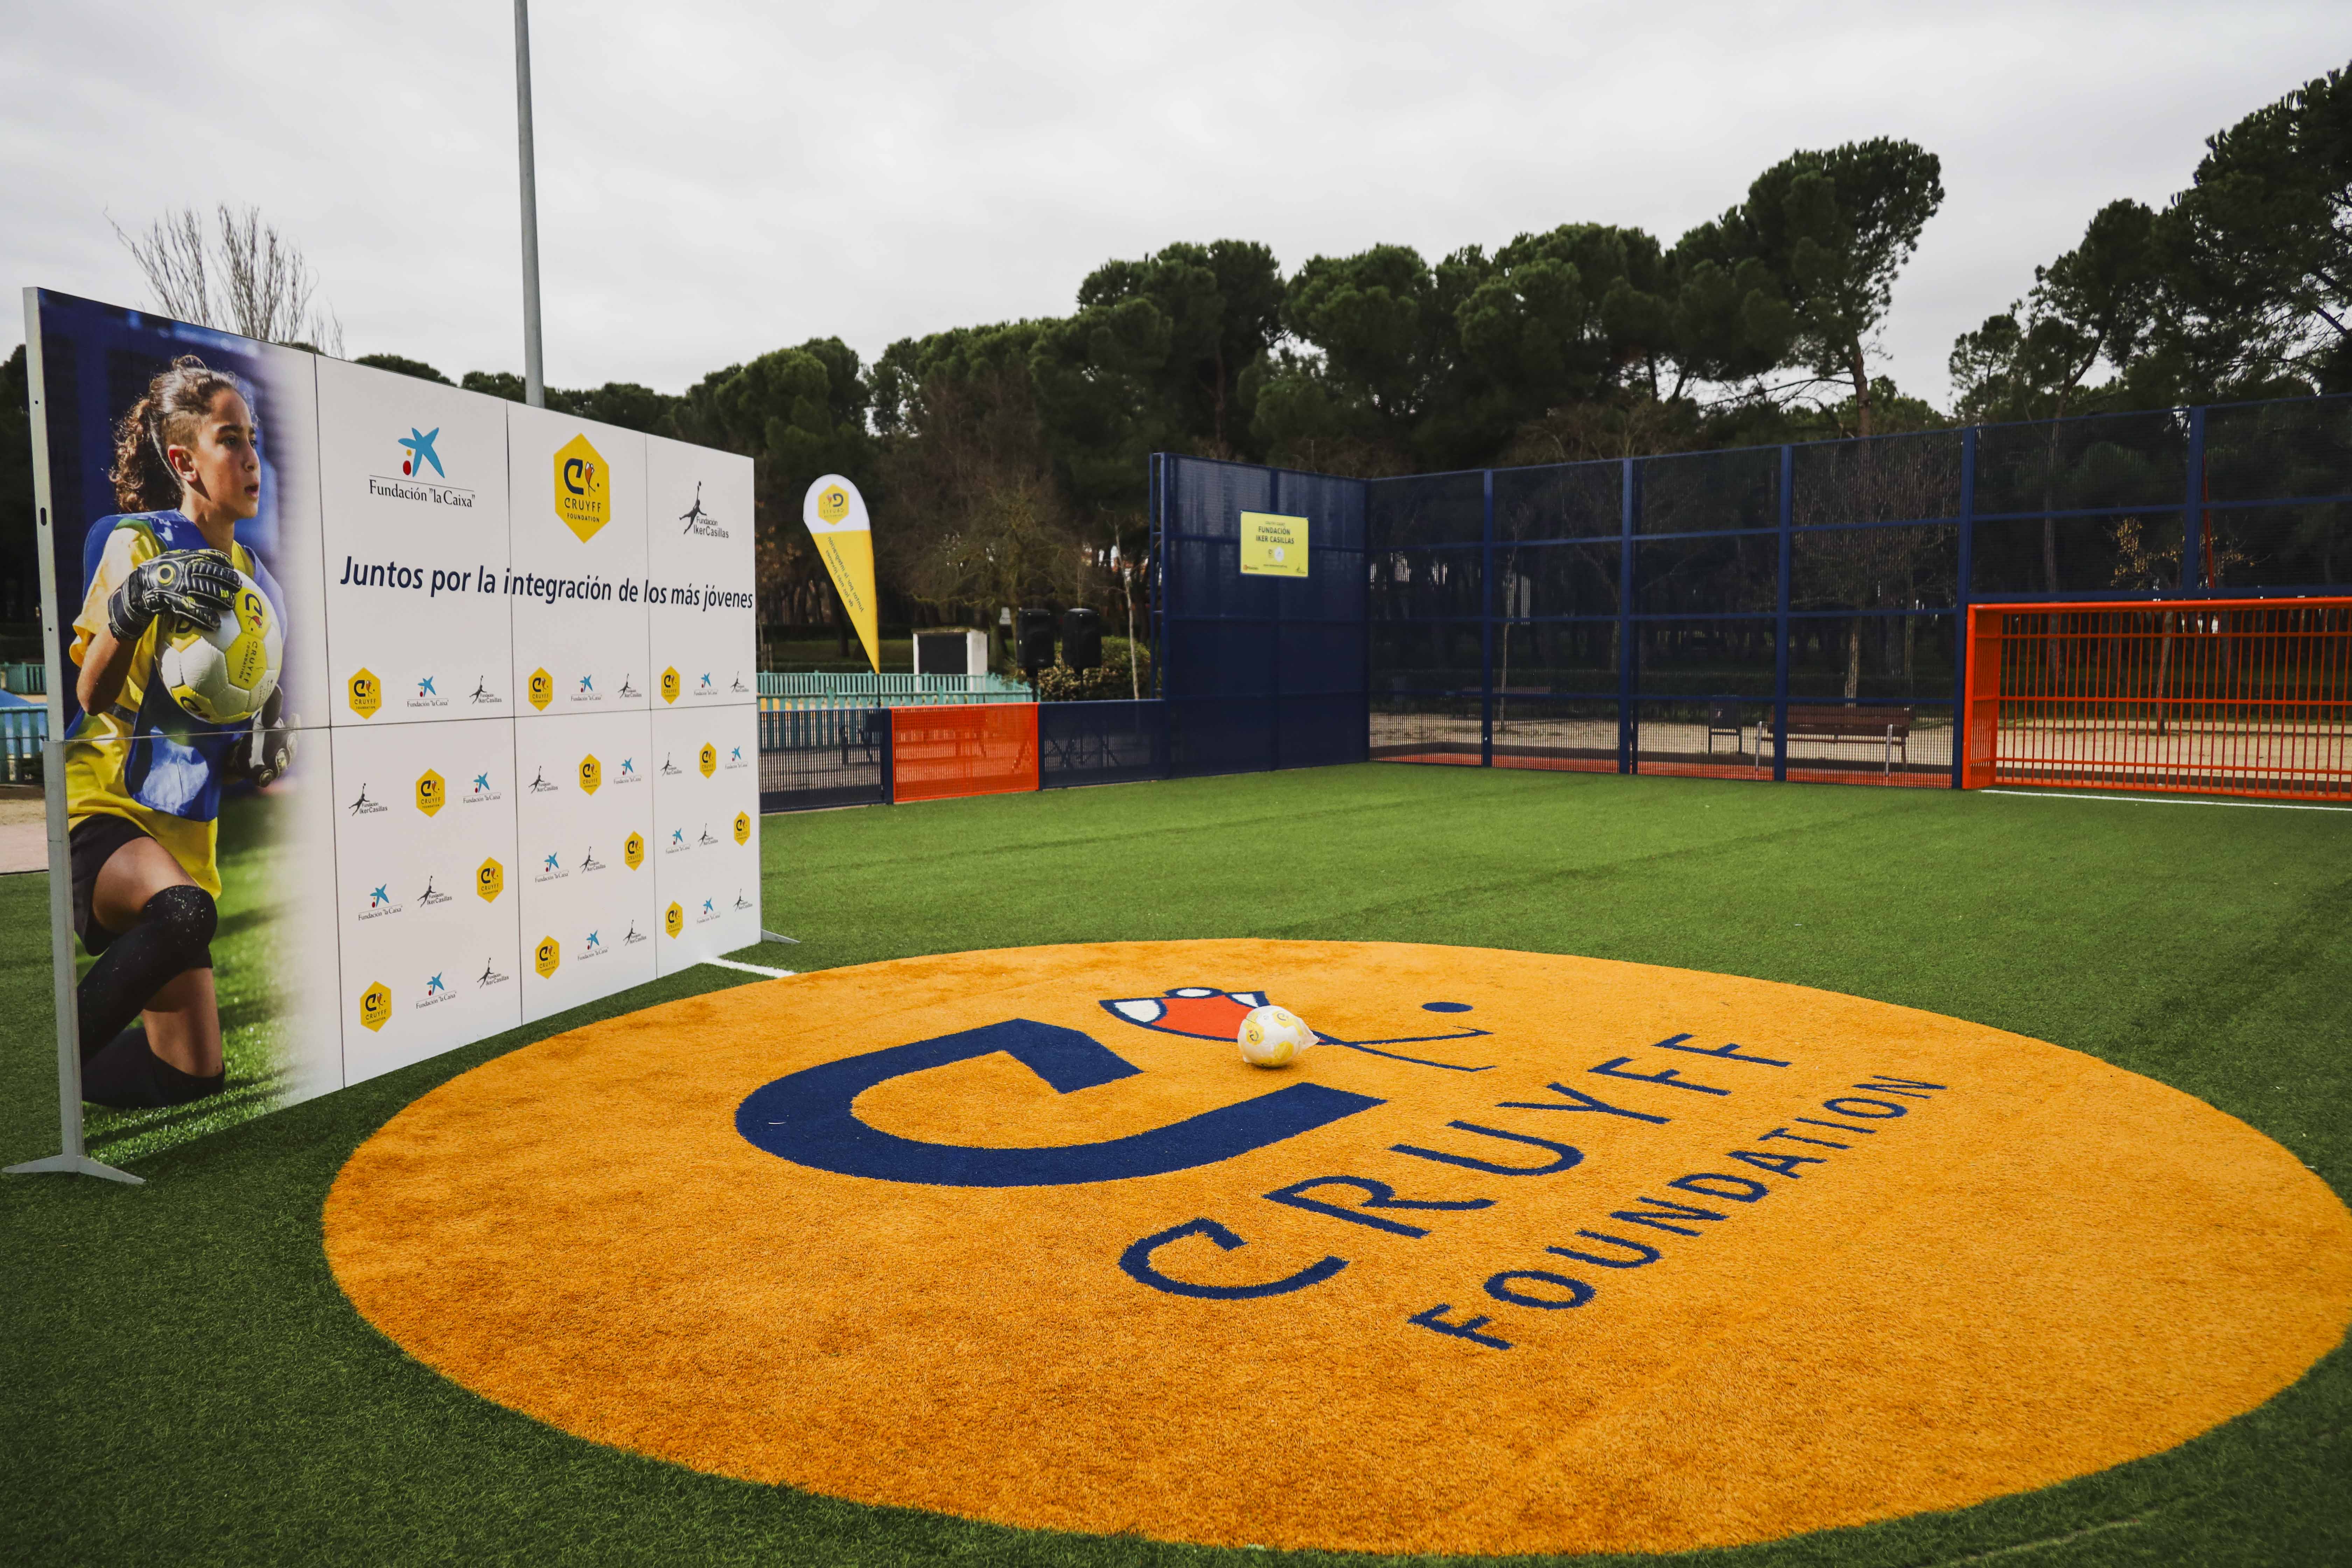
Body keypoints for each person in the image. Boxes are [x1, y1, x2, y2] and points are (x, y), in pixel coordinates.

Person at [66, 355, 294, 1109]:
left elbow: (236, 737)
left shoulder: (260, 588)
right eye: (232, 439)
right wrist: (137, 602)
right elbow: (92, 693)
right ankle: (47, 1070)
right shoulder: (139, 545)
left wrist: (264, 746)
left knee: (191, 1076)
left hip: (182, 838)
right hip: (103, 811)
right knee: (185, 912)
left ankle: (59, 1082)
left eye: (254, 439)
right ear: (183, 461)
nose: (252, 458)